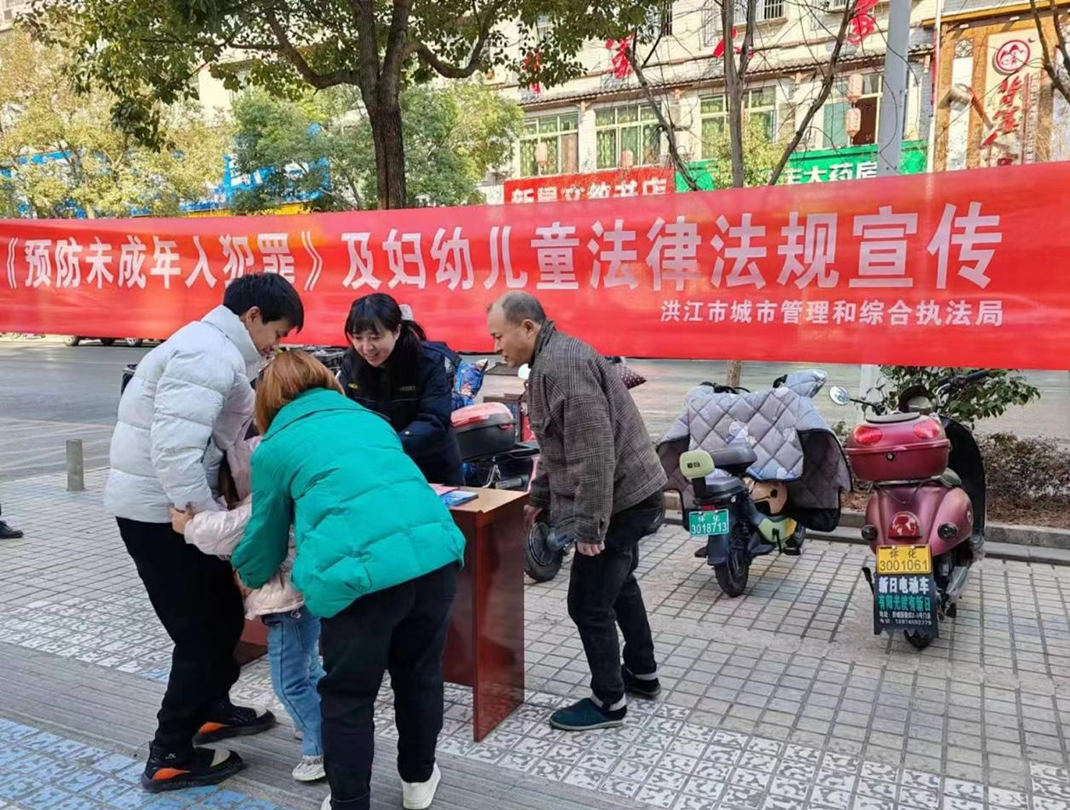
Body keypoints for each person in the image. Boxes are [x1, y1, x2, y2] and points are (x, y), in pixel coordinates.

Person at [230, 351, 465, 810]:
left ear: (267, 401)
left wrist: (247, 573)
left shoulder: (274, 449)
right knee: (419, 677)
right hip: (432, 560)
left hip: (358, 581)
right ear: (327, 383)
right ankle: (418, 782)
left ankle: (350, 801)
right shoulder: (373, 422)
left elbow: (265, 539)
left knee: (348, 696)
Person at [104, 273, 304, 792]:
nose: (275, 346)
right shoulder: (206, 356)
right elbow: (176, 453)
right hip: (162, 516)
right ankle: (170, 753)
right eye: (276, 333)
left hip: (171, 511)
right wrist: (203, 522)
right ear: (252, 316)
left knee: (219, 617)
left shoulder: (217, 349)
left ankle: (211, 709)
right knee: (203, 632)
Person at [487, 292, 667, 733]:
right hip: (630, 496)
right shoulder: (549, 361)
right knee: (619, 585)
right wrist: (539, 496)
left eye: (499, 336)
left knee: (586, 603)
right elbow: (557, 446)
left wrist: (590, 528)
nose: (495, 346)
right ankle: (642, 673)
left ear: (527, 327)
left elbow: (594, 455)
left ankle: (609, 702)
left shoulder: (562, 366)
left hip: (622, 502)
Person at [170, 434, 326, 784]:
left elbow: (224, 531)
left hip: (288, 606)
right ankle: (318, 724)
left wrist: (187, 525)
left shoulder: (264, 501)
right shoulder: (289, 488)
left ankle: (320, 748)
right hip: (299, 600)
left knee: (290, 683)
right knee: (309, 671)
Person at [338, 293, 463, 486]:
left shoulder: (427, 362)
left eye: (375, 337)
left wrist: (389, 446)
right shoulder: (351, 362)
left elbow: (435, 420)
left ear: (396, 331)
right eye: (358, 338)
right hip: (376, 466)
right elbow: (345, 413)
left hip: (430, 468)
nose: (366, 347)